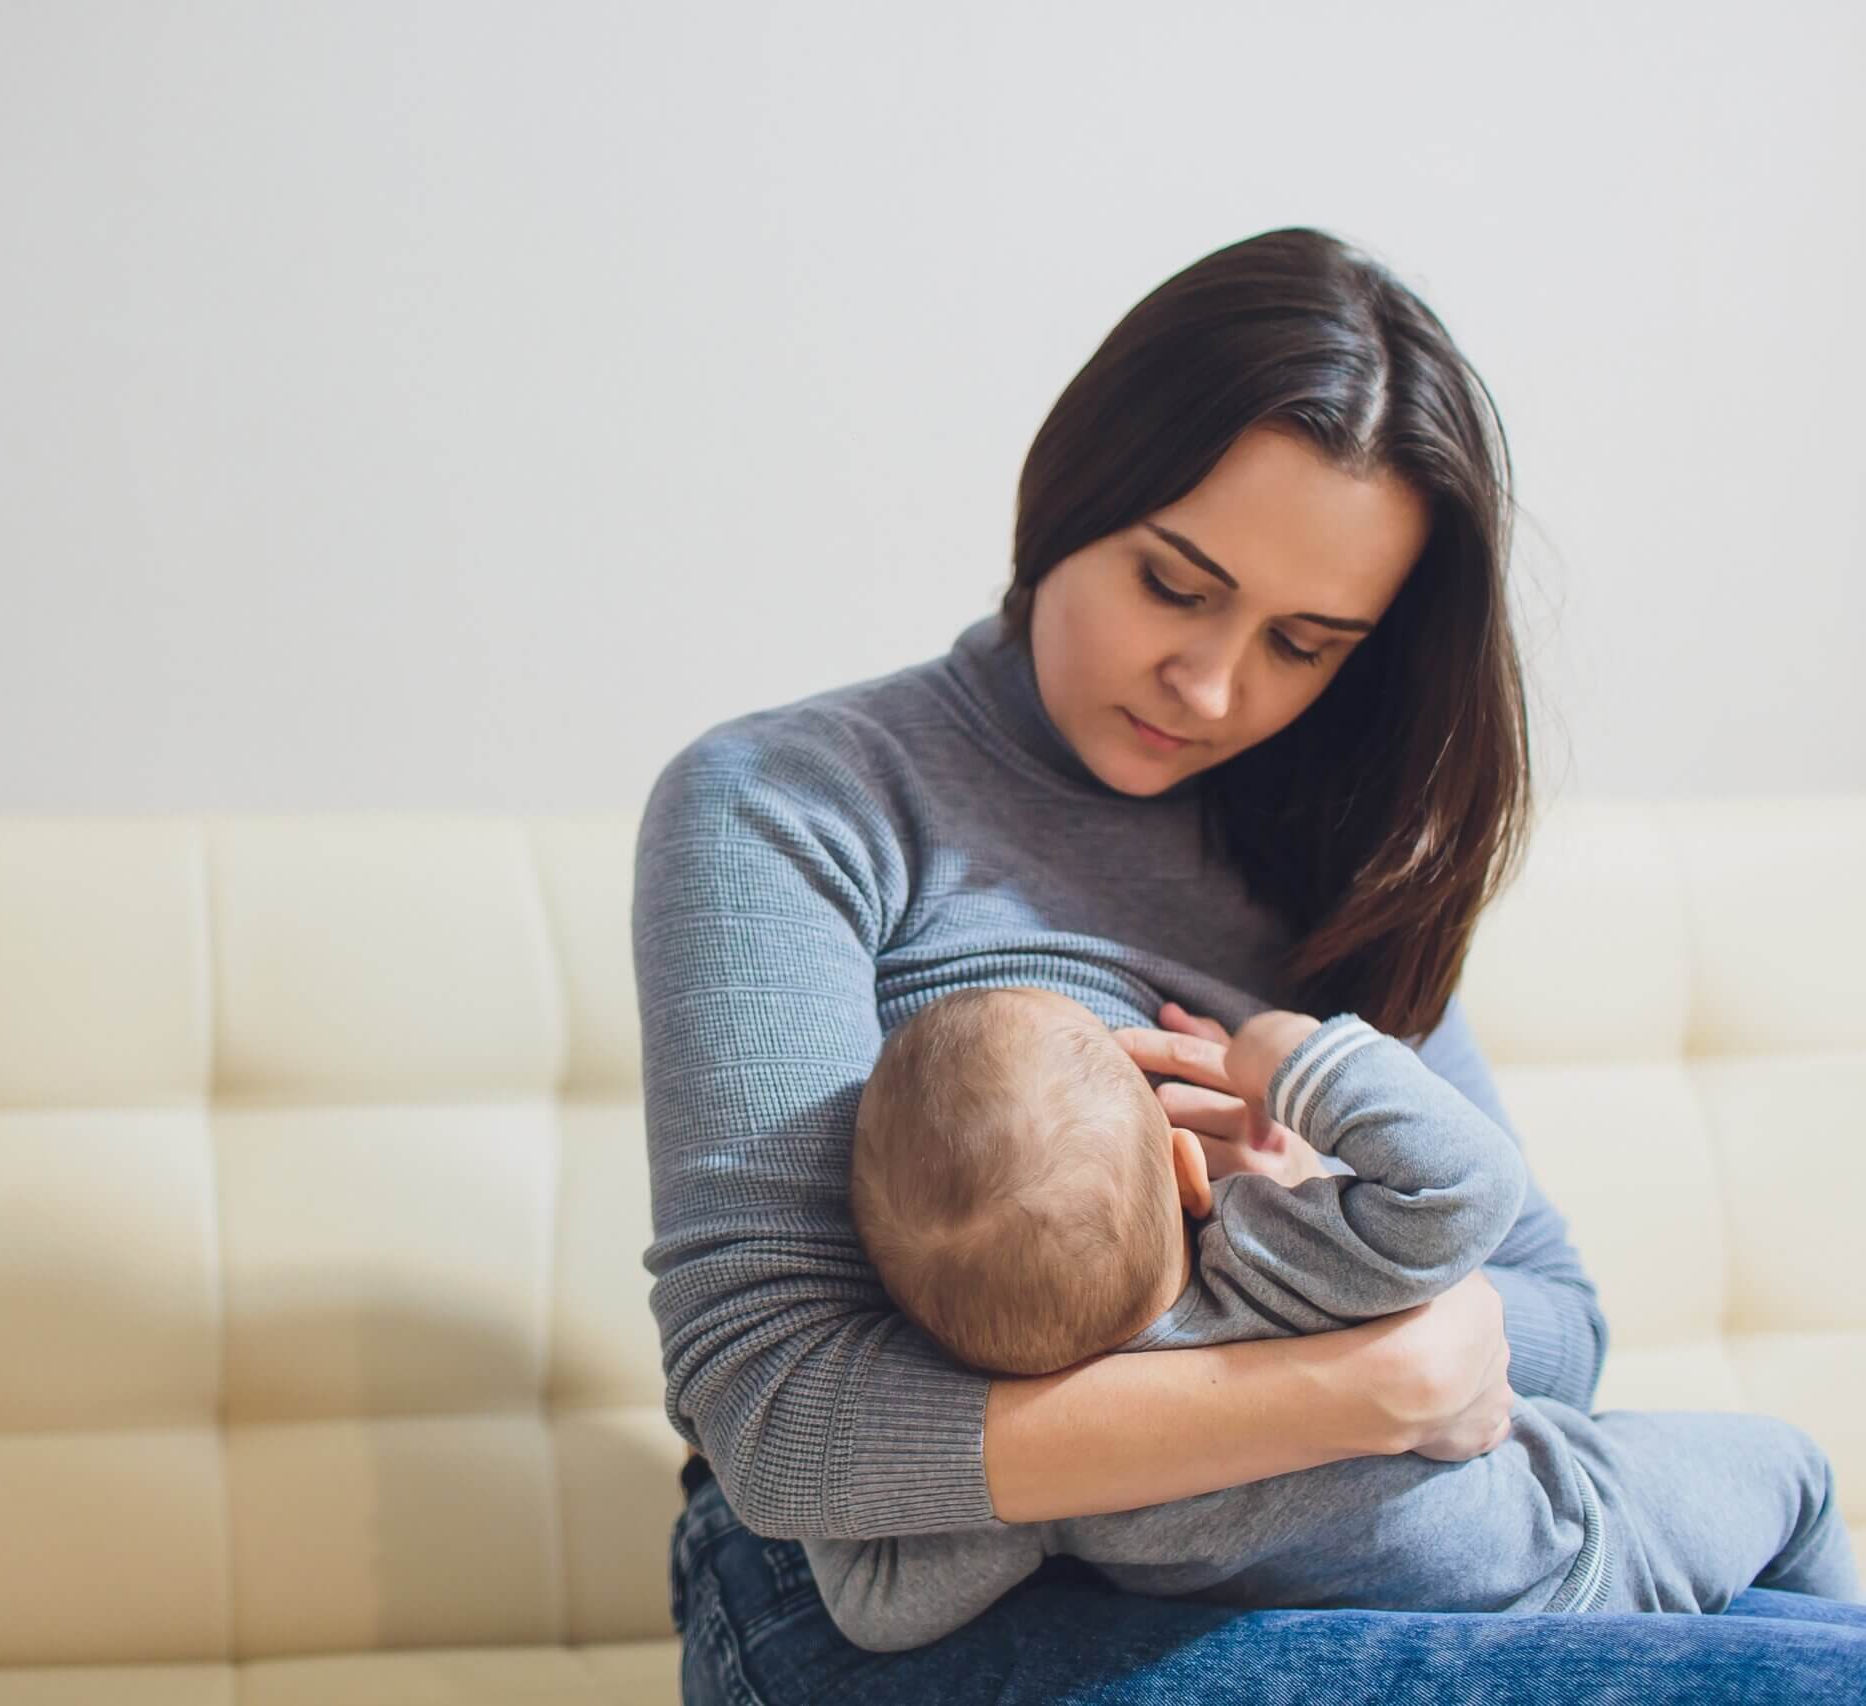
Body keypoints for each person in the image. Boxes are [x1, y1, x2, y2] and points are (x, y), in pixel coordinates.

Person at [630, 226, 1866, 1702]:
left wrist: (1334, 1230)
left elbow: (1555, 1323)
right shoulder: (795, 802)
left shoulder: (1320, 853)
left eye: (1305, 643)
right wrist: (1355, 1381)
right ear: (1070, 492)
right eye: (1173, 583)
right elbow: (782, 1423)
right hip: (902, 1594)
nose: (1213, 686)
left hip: (1335, 1548)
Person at [805, 986, 1855, 1646]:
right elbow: (1471, 1184)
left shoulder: (1046, 1479)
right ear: (1186, 1168)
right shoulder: (1279, 1262)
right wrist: (1286, 1058)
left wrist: (915, 1355)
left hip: (1408, 1650)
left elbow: (872, 1603)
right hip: (1583, 1559)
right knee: (1797, 1471)